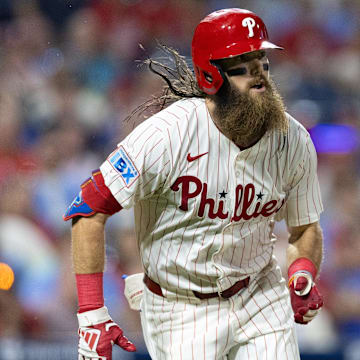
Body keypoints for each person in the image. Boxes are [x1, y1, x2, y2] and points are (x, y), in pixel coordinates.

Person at [64, 8, 324, 360]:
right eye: (242, 67)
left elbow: (305, 227)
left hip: (260, 295)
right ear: (210, 76)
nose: (259, 77)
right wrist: (93, 314)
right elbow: (88, 207)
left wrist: (303, 270)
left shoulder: (292, 140)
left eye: (262, 62)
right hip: (180, 307)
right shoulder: (168, 135)